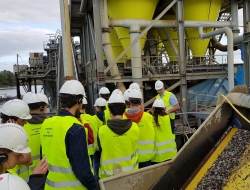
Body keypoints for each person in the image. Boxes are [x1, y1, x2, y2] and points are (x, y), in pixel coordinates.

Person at [40, 80, 98, 190]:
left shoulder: (46, 123)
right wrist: (95, 187)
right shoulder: (76, 128)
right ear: (79, 100)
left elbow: (42, 161)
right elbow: (82, 172)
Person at [98, 93, 140, 179]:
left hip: (108, 177)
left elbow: (100, 149)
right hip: (131, 174)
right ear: (124, 110)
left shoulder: (101, 130)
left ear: (109, 111)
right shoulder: (135, 127)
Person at [0, 123, 48, 190]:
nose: (21, 158)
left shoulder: (5, 171)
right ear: (3, 156)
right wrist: (36, 180)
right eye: (18, 155)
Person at [0, 99, 33, 179]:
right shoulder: (10, 135)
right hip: (11, 179)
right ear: (12, 119)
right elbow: (28, 160)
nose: (25, 123)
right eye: (23, 120)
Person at [18, 92, 47, 181]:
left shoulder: (20, 128)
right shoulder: (49, 124)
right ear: (41, 107)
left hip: (25, 180)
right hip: (47, 175)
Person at [124, 89, 155, 168]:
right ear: (140, 102)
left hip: (130, 158)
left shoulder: (124, 117)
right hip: (146, 156)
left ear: (129, 102)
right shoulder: (148, 117)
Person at [151, 99, 177, 164]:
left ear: (153, 109)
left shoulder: (150, 119)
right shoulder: (167, 118)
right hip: (170, 154)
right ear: (164, 108)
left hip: (157, 156)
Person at [91, 97, 106, 180]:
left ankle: (97, 179)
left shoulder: (93, 119)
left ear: (96, 107)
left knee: (96, 162)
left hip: (96, 147)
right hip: (106, 144)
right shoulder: (108, 116)